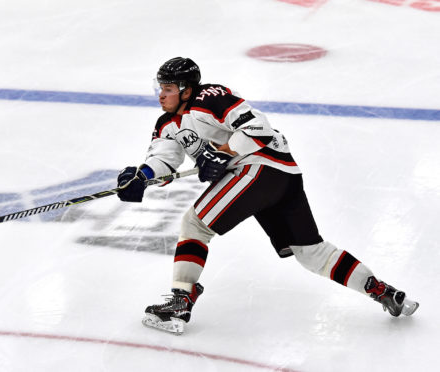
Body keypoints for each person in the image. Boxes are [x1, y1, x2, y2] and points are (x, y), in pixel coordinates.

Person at [116, 57, 419, 335]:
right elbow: (164, 159)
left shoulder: (209, 98)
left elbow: (257, 126)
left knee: (195, 225)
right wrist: (141, 177)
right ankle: (382, 291)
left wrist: (223, 152)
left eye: (167, 88)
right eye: (160, 88)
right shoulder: (166, 124)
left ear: (186, 90)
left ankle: (180, 303)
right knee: (310, 252)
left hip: (259, 168)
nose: (161, 94)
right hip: (281, 176)